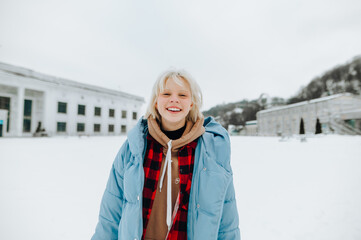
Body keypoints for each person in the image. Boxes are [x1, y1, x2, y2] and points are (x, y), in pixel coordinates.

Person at [91, 70, 240, 240]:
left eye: (182, 95)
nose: (174, 99)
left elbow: (227, 217)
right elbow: (111, 211)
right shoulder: (134, 147)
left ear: (191, 103)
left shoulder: (212, 152)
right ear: (156, 101)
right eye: (166, 93)